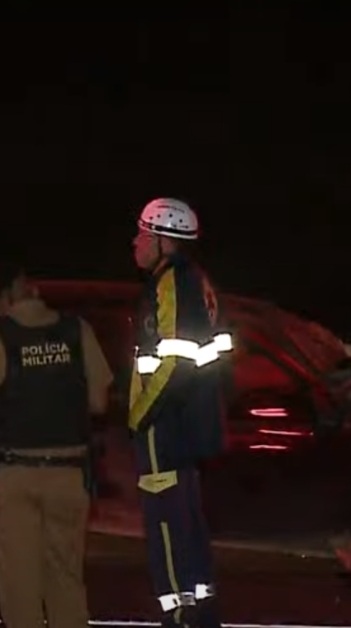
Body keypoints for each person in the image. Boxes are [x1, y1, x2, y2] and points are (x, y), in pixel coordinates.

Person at [0, 265, 113, 628]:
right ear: (34, 291)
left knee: (19, 584)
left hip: (13, 475)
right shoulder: (77, 331)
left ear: (3, 299)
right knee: (66, 579)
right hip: (69, 474)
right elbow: (100, 403)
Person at [129, 198, 232, 628]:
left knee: (166, 521)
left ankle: (177, 612)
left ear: (161, 239)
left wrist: (140, 415)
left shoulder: (169, 283)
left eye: (141, 234)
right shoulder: (198, 281)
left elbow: (173, 360)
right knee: (188, 514)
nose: (135, 243)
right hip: (191, 418)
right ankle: (202, 602)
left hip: (164, 422)